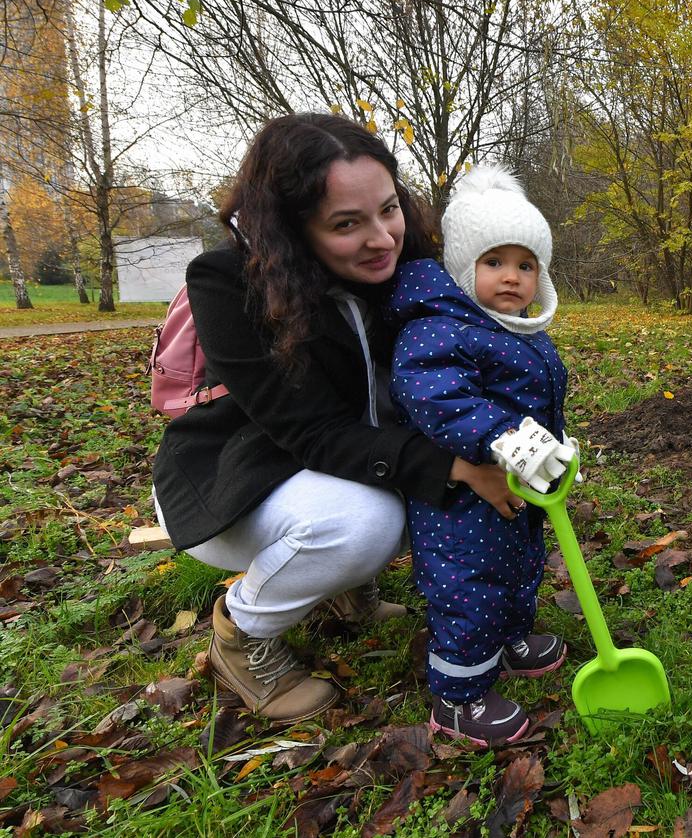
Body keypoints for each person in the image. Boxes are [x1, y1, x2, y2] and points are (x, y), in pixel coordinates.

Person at [151, 113, 519, 724]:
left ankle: (345, 589)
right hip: (238, 475)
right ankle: (240, 635)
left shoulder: (407, 262)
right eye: (347, 223)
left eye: (388, 209)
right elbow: (310, 432)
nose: (383, 238)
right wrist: (457, 466)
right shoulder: (228, 283)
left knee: (435, 491)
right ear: (292, 231)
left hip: (342, 464)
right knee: (372, 520)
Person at [390, 163, 577, 746]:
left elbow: (538, 397)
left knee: (521, 562)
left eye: (526, 265)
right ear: (463, 266)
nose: (512, 278)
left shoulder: (518, 329)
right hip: (462, 496)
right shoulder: (439, 328)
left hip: (519, 482)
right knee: (470, 584)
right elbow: (436, 395)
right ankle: (459, 696)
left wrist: (552, 447)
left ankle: (512, 638)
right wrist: (504, 437)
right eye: (494, 262)